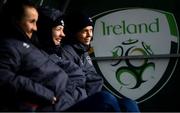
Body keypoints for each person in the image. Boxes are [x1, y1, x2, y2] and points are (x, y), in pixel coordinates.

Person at [0, 1, 121, 112]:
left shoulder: (31, 48)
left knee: (126, 103)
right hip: (57, 106)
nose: (35, 27)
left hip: (67, 103)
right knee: (105, 99)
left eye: (36, 22)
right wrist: (46, 95)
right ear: (15, 20)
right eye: (31, 21)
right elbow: (5, 77)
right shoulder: (10, 46)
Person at [36, 7, 140, 112]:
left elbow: (92, 79)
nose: (90, 35)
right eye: (85, 31)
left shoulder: (82, 52)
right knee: (105, 99)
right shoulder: (64, 51)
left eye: (91, 30)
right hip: (73, 103)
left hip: (85, 98)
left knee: (129, 103)